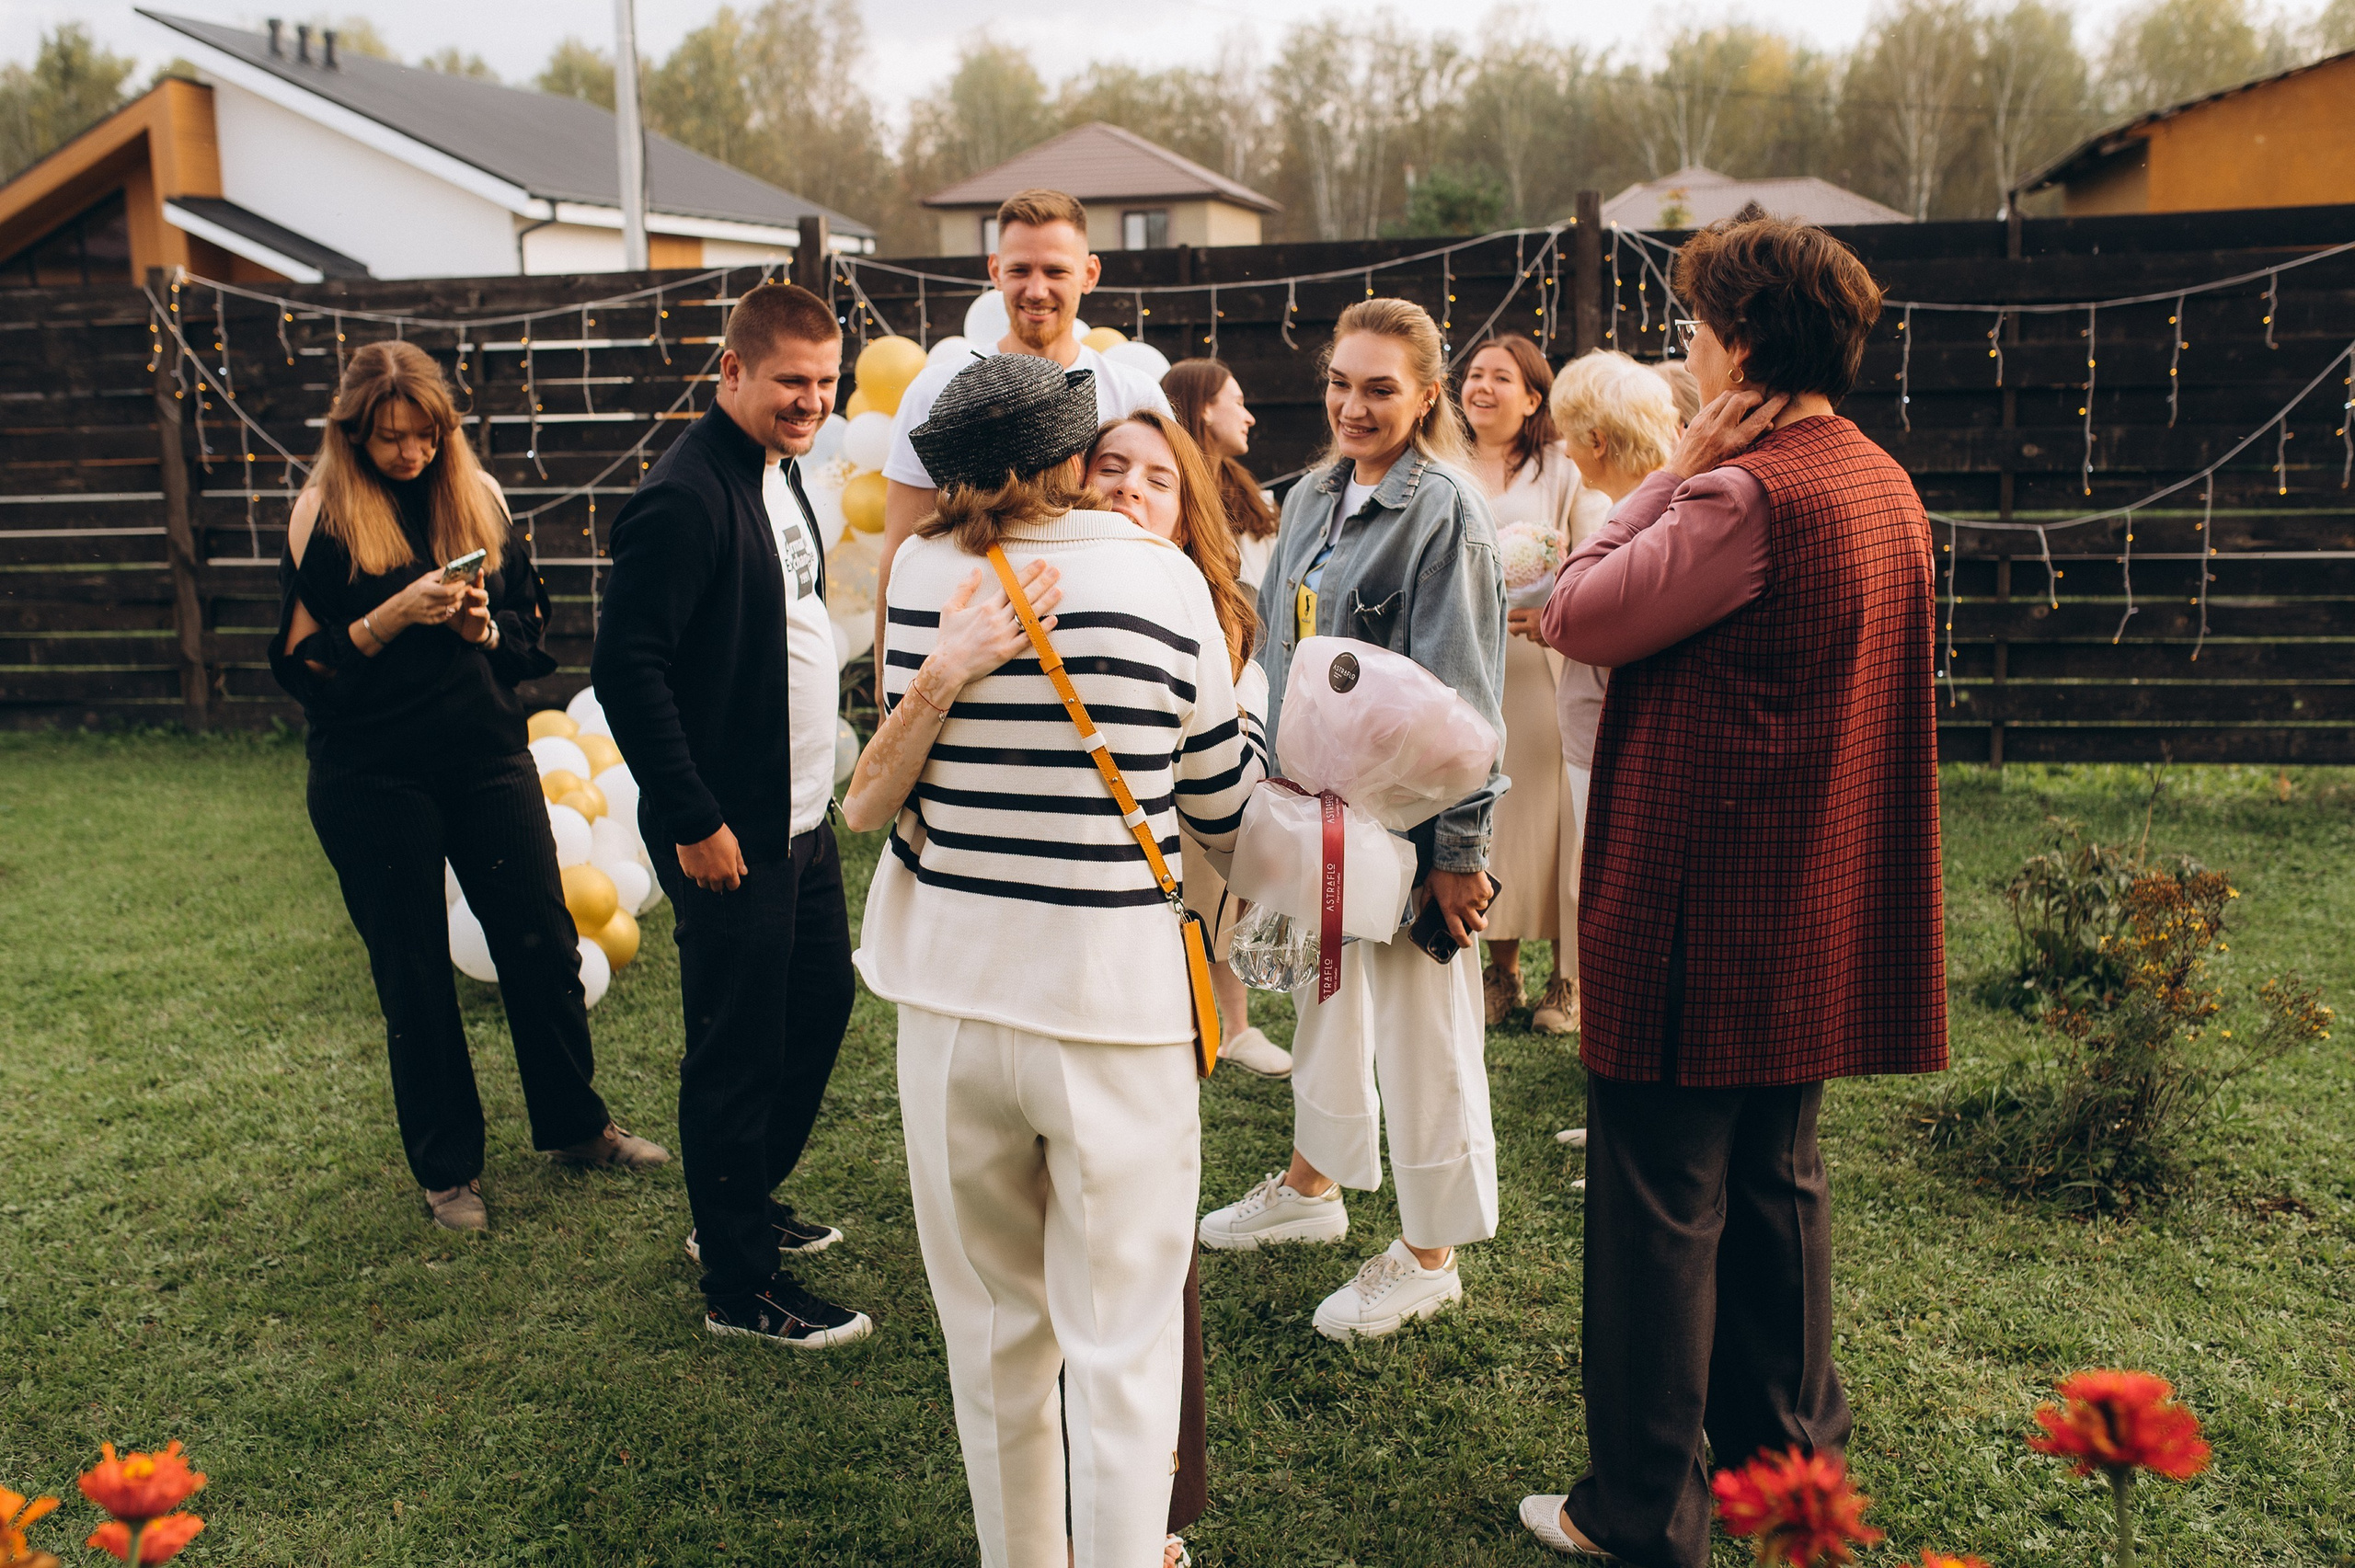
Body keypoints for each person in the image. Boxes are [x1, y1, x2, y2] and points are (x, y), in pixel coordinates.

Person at [1519, 209, 1947, 1565]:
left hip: (1698, 905)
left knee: (1658, 1207)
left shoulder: (1738, 491)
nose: (1687, 351)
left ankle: (1637, 1511)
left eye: (1695, 327)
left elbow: (1567, 609)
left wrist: (1667, 475)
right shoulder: (1880, 478)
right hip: (1812, 900)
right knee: (1777, 1183)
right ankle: (1786, 1472)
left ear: (1741, 342)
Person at [851, 353, 1263, 1568]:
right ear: (1078, 457)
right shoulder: (1163, 579)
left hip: (948, 995)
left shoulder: (920, 571)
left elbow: (890, 770)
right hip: (1112, 1008)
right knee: (1125, 1344)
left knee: (991, 1334)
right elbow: (1221, 809)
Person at [271, 340, 668, 1235]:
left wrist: (486, 626)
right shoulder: (322, 515)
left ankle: (576, 1125)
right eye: (388, 439)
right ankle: (448, 1170)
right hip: (371, 773)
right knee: (413, 971)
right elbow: (302, 668)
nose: (409, 454)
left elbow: (534, 639)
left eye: (423, 435)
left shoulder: (478, 498)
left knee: (541, 941)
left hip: (484, 756)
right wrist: (386, 618)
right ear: (354, 436)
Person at [1196, 297, 1508, 1342]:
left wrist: (1457, 858)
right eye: (1341, 382)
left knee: (1425, 1037)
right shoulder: (1310, 496)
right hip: (1321, 822)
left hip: (1415, 837)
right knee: (1325, 1009)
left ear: (1427, 395)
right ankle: (1311, 1184)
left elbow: (1467, 706)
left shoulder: (1445, 513)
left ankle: (1429, 1253)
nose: (1354, 405)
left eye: (1380, 388)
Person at [592, 282, 869, 1349]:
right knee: (737, 1048)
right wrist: (694, 816)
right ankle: (739, 1287)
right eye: (788, 381)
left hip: (799, 817)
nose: (808, 399)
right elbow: (628, 667)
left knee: (818, 1010)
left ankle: (740, 1206)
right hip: (732, 831)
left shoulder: (781, 472)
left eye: (823, 381)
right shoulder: (684, 495)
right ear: (732, 373)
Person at [874, 188, 1170, 656]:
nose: (1036, 290)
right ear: (994, 271)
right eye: (1019, 270)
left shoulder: (1134, 394)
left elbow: (1167, 539)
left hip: (1104, 647)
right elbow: (901, 548)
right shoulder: (937, 393)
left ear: (1089, 274)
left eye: (1055, 271)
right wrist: (886, 675)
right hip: (967, 648)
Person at [1091, 404, 1292, 1080]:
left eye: (1157, 480)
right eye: (1110, 469)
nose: (1128, 488)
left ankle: (1227, 1025)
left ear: (1185, 516)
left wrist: (1249, 708)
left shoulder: (1213, 609)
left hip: (1193, 825)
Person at [1537, 350, 1683, 1064]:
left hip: (1611, 746)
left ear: (1596, 440)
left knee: (1615, 914)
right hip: (1593, 737)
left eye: (1568, 431)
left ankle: (1620, 1078)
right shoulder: (1642, 509)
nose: (1562, 447)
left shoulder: (1636, 517)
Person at [1459, 333, 1583, 1036]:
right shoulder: (1443, 460)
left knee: (1554, 813)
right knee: (1491, 813)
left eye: (1499, 377)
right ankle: (1500, 971)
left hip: (1543, 658)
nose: (1480, 386)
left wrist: (1562, 608)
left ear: (1532, 397)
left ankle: (1567, 982)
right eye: (1474, 374)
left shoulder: (1562, 467)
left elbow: (1595, 542)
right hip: (1470, 659)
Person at [1163, 356, 1281, 590]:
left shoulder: (1255, 503)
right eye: (1238, 403)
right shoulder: (1165, 500)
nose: (1250, 418)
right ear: (1204, 408)